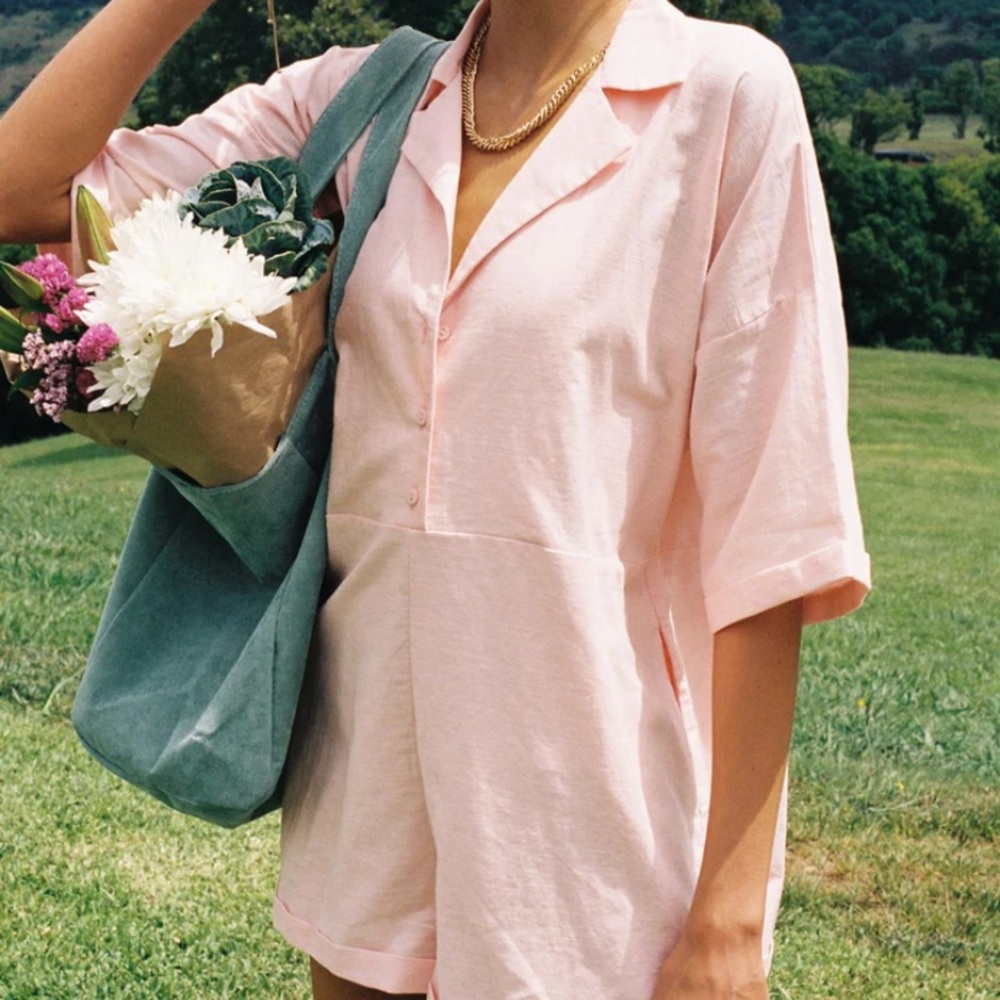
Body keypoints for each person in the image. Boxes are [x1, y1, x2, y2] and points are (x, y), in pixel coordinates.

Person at [0, 0, 871, 996]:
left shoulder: (725, 95)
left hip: (594, 835)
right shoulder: (363, 100)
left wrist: (729, 915)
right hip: (371, 800)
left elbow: (772, 522)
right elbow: (21, 189)